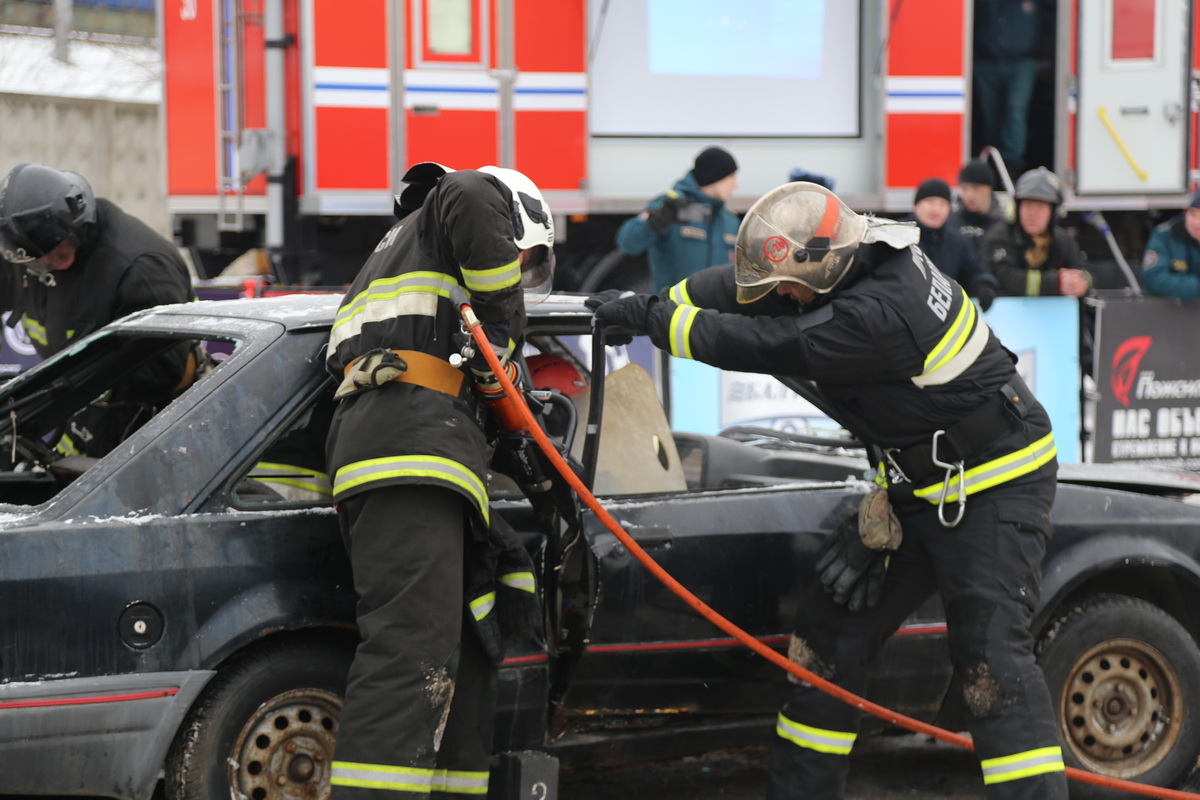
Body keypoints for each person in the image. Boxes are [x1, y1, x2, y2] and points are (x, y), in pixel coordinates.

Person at [589, 181, 1066, 799]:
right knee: (829, 636)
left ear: (826, 263)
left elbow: (765, 343)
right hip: (922, 484)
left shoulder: (876, 315)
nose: (780, 296)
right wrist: (652, 300)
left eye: (788, 285)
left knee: (991, 665)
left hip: (997, 486)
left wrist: (654, 321)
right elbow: (742, 289)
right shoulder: (853, 250)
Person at [324, 163, 551, 799]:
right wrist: (503, 332)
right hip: (411, 452)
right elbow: (468, 188)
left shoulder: (392, 263)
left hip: (417, 452)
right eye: (522, 256)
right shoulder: (463, 200)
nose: (518, 273)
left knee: (462, 643)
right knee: (410, 653)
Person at [0, 162, 197, 457]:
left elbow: (164, 372)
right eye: (36, 261)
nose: (49, 265)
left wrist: (59, 387)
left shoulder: (139, 269)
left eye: (60, 253)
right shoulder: (31, 251)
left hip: (151, 428)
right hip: (78, 418)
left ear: (80, 223)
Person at [616, 146, 741, 292]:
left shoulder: (730, 220)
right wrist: (657, 220)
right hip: (673, 312)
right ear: (714, 177)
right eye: (730, 177)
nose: (735, 184)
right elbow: (628, 243)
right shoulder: (670, 207)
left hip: (716, 313)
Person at [980, 167, 1090, 298]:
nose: (1032, 214)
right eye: (1028, 205)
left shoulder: (1063, 240)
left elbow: (1085, 270)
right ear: (1018, 208)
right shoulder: (999, 237)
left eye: (1040, 207)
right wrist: (1056, 283)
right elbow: (1003, 276)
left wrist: (1082, 282)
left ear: (1053, 213)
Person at [973, 0, 1044, 174]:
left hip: (1021, 64)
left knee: (1015, 110)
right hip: (987, 63)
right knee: (990, 116)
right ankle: (992, 161)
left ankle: (1012, 165)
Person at [907, 177, 999, 310]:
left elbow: (972, 269)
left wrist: (983, 284)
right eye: (930, 202)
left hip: (945, 315)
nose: (936, 209)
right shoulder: (899, 237)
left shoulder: (957, 241)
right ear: (916, 205)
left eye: (942, 204)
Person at [1141, 190, 1200, 301]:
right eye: (1193, 214)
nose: (1197, 222)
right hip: (1175, 313)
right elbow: (1153, 278)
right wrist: (1195, 288)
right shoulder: (1165, 235)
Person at [948, 159, 1005, 257]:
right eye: (964, 188)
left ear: (989, 189)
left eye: (976, 188)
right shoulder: (951, 223)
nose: (969, 195)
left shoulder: (1003, 224)